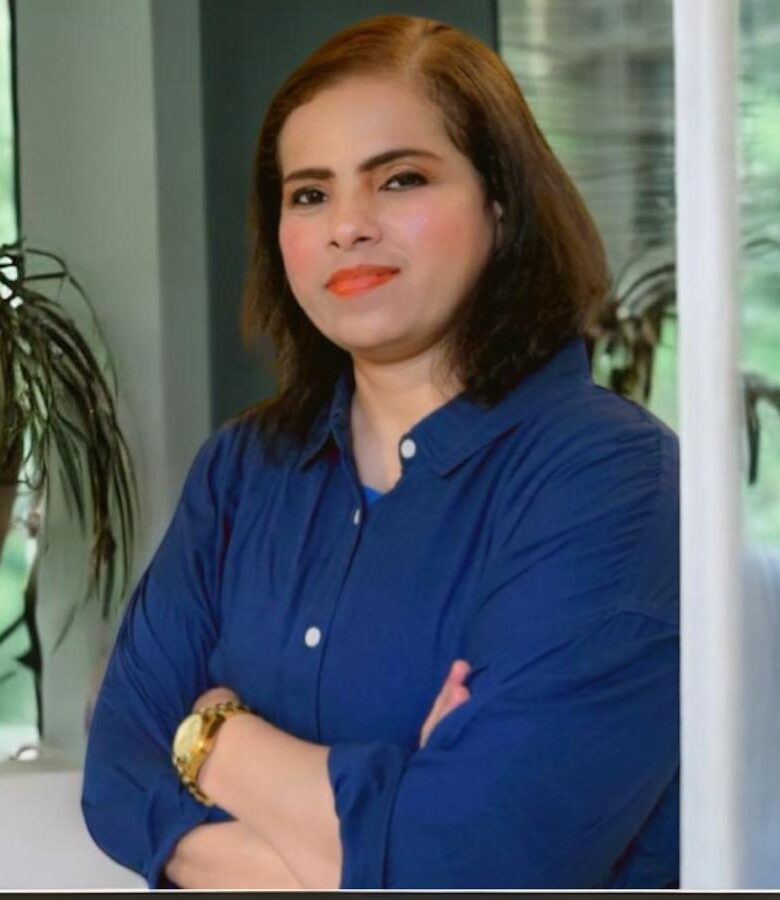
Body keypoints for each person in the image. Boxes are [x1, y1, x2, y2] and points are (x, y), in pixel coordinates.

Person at [81, 13, 679, 890]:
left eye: (400, 179)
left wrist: (215, 741)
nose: (347, 227)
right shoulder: (240, 471)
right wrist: (386, 820)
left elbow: (474, 864)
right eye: (309, 194)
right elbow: (114, 780)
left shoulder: (610, 479)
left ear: (501, 203)